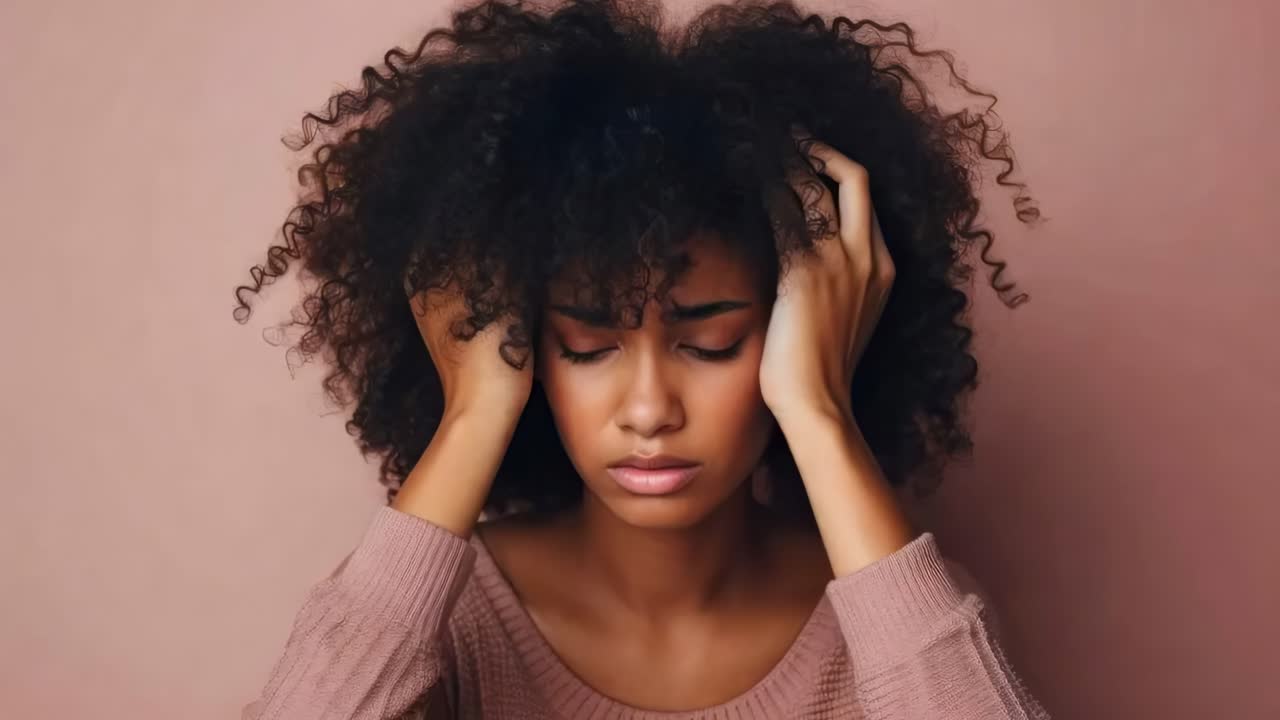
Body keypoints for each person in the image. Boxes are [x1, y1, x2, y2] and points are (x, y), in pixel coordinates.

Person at [234, 0, 1052, 717]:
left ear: (812, 332)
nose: (651, 408)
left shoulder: (905, 625)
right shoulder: (443, 625)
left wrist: (821, 411)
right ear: (521, 343)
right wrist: (474, 410)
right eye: (588, 346)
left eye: (712, 342)